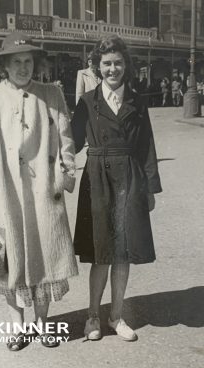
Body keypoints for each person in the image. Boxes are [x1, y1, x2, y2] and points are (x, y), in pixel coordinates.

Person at [0, 31, 78, 350]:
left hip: (43, 194)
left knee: (46, 257)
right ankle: (18, 327)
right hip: (4, 194)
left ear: (35, 63)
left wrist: (64, 173)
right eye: (17, 61)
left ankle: (42, 325)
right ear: (4, 65)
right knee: (9, 262)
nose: (23, 67)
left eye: (28, 61)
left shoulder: (52, 93)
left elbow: (66, 139)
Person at [71, 35, 162, 342]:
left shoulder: (138, 100)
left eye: (118, 63)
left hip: (130, 179)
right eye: (107, 63)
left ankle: (117, 316)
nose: (113, 69)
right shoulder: (87, 102)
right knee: (101, 254)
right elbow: (71, 142)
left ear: (126, 65)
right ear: (97, 66)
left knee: (122, 253)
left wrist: (149, 188)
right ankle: (93, 317)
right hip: (97, 179)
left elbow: (147, 145)